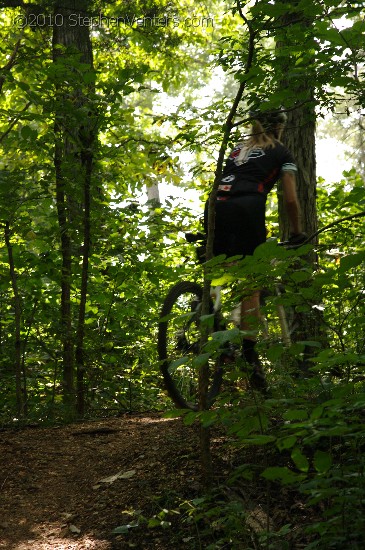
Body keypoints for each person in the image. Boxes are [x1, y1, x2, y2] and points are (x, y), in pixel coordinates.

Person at [204, 108, 307, 392]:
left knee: (219, 270)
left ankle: (207, 320)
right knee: (252, 284)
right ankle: (251, 360)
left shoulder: (237, 149)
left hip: (215, 206)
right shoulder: (282, 153)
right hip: (248, 208)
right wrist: (297, 232)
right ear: (280, 129)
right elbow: (289, 200)